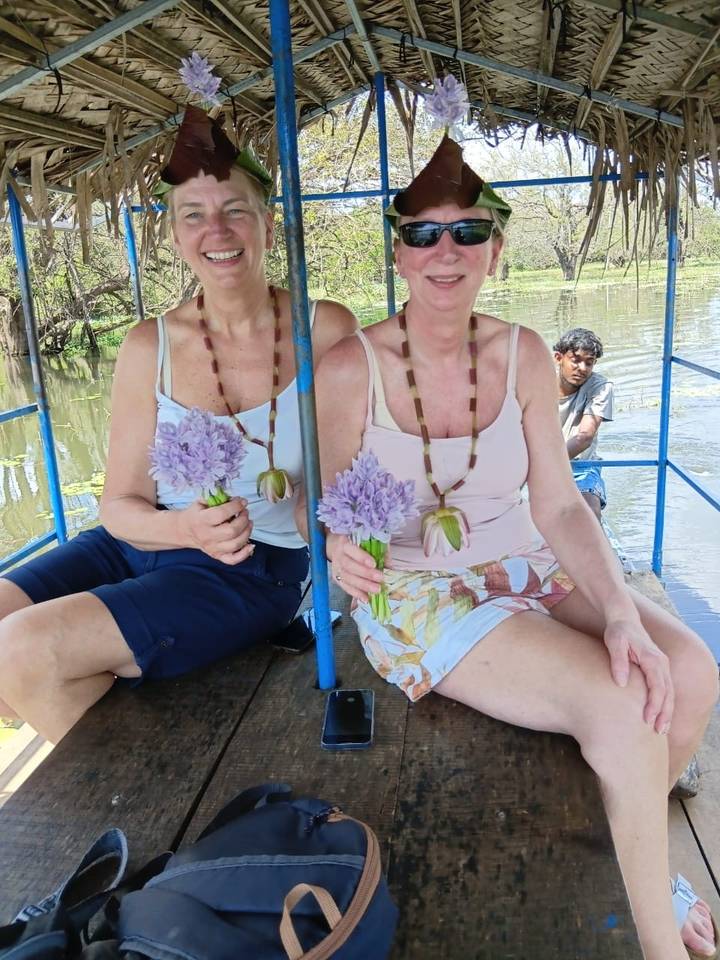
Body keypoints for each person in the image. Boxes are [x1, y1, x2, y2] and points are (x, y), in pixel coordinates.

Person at [311, 128, 719, 960]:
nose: (446, 250)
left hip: (527, 561)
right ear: (399, 252)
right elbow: (321, 504)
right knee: (620, 707)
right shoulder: (350, 368)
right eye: (424, 233)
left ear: (495, 250)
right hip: (416, 590)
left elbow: (561, 506)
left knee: (689, 667)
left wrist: (620, 612)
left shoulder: (526, 352)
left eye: (468, 231)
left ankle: (640, 860)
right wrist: (338, 545)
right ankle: (658, 937)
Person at [0, 105, 356, 744]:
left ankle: (133, 784)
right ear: (174, 233)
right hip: (149, 538)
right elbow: (118, 506)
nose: (216, 230)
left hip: (257, 562)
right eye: (193, 214)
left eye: (235, 210)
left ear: (268, 223)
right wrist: (183, 528)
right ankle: (128, 744)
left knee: (21, 652)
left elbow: (345, 473)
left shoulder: (323, 327)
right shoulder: (150, 345)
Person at [554, 327, 613, 519]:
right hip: (538, 463)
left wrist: (547, 464)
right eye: (576, 360)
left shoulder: (600, 387)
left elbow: (584, 437)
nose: (583, 368)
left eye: (589, 362)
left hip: (581, 466)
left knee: (590, 514)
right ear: (559, 358)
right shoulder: (538, 383)